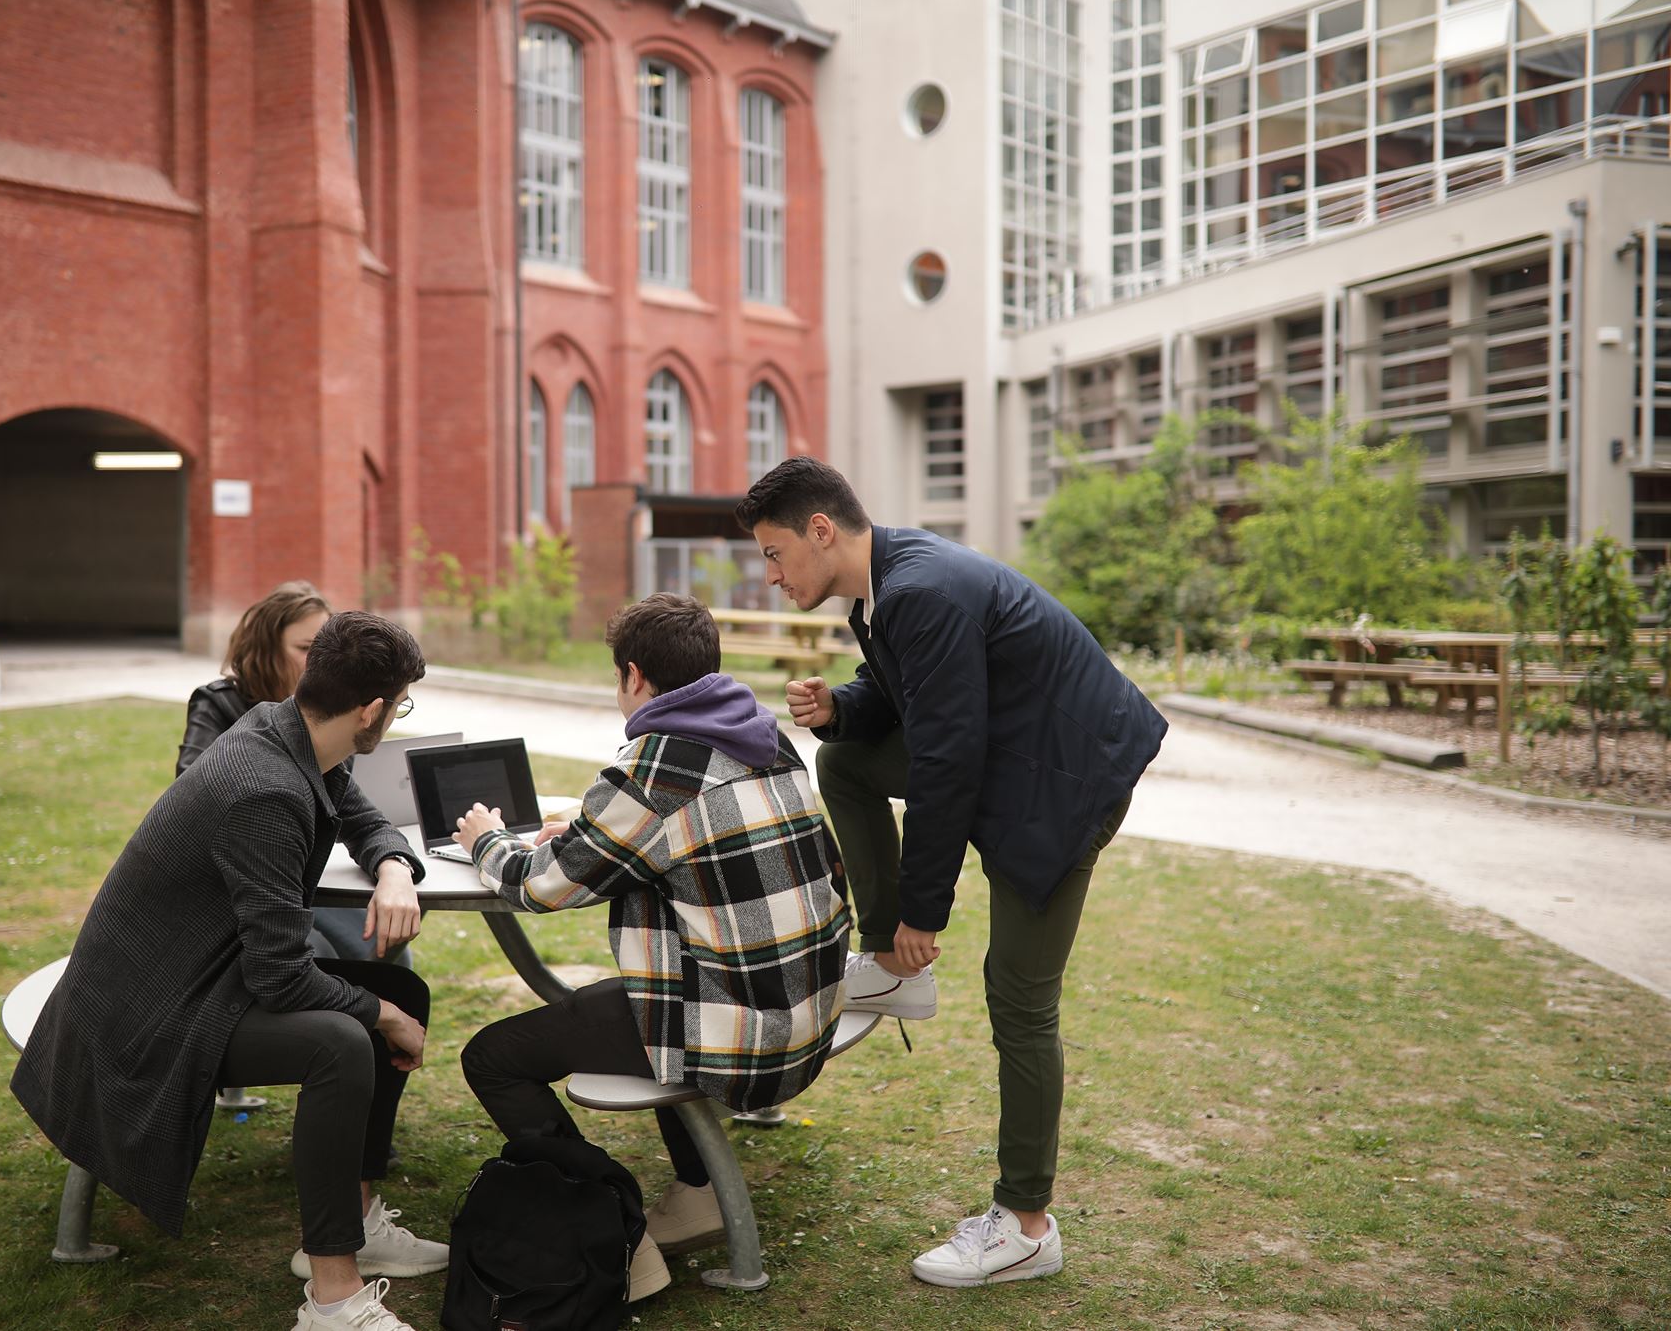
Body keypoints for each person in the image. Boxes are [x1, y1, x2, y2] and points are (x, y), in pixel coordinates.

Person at [736, 456, 1167, 1289]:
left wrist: (923, 911)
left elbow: (947, 759)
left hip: (1063, 781)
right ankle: (894, 974)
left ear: (821, 530)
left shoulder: (919, 589)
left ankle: (1027, 1223)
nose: (773, 573)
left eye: (775, 551)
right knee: (849, 763)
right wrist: (845, 709)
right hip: (1017, 757)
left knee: (1020, 997)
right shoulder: (886, 585)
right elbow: (917, 698)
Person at [11, 611, 443, 1331]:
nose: (395, 717)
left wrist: (395, 867)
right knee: (343, 1037)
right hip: (145, 1013)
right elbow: (281, 978)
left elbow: (368, 819)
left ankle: (355, 1223)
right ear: (371, 709)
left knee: (399, 986)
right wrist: (383, 1019)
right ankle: (332, 1297)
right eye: (399, 705)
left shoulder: (293, 732)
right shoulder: (265, 788)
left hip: (195, 979)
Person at [453, 593, 851, 1296]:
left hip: (741, 1036)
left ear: (634, 675)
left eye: (615, 678)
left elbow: (543, 887)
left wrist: (485, 839)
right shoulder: (758, 730)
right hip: (807, 1010)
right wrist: (584, 834)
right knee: (638, 1003)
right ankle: (698, 1189)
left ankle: (612, 1221)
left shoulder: (659, 761)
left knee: (492, 1057)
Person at [177, 582, 407, 966]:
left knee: (393, 954)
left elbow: (362, 817)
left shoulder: (325, 726)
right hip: (247, 888)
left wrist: (394, 868)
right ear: (266, 650)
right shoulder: (226, 711)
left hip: (311, 878)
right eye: (305, 649)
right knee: (330, 957)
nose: (318, 662)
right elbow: (193, 793)